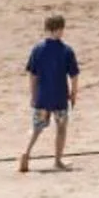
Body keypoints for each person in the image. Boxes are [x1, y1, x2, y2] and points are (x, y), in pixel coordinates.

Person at [18, 12, 81, 174]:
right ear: (60, 29)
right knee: (61, 128)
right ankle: (58, 161)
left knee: (37, 128)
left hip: (42, 97)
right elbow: (74, 75)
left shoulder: (38, 49)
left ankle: (26, 152)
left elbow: (33, 75)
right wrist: (73, 94)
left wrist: (33, 95)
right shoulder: (66, 50)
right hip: (59, 97)